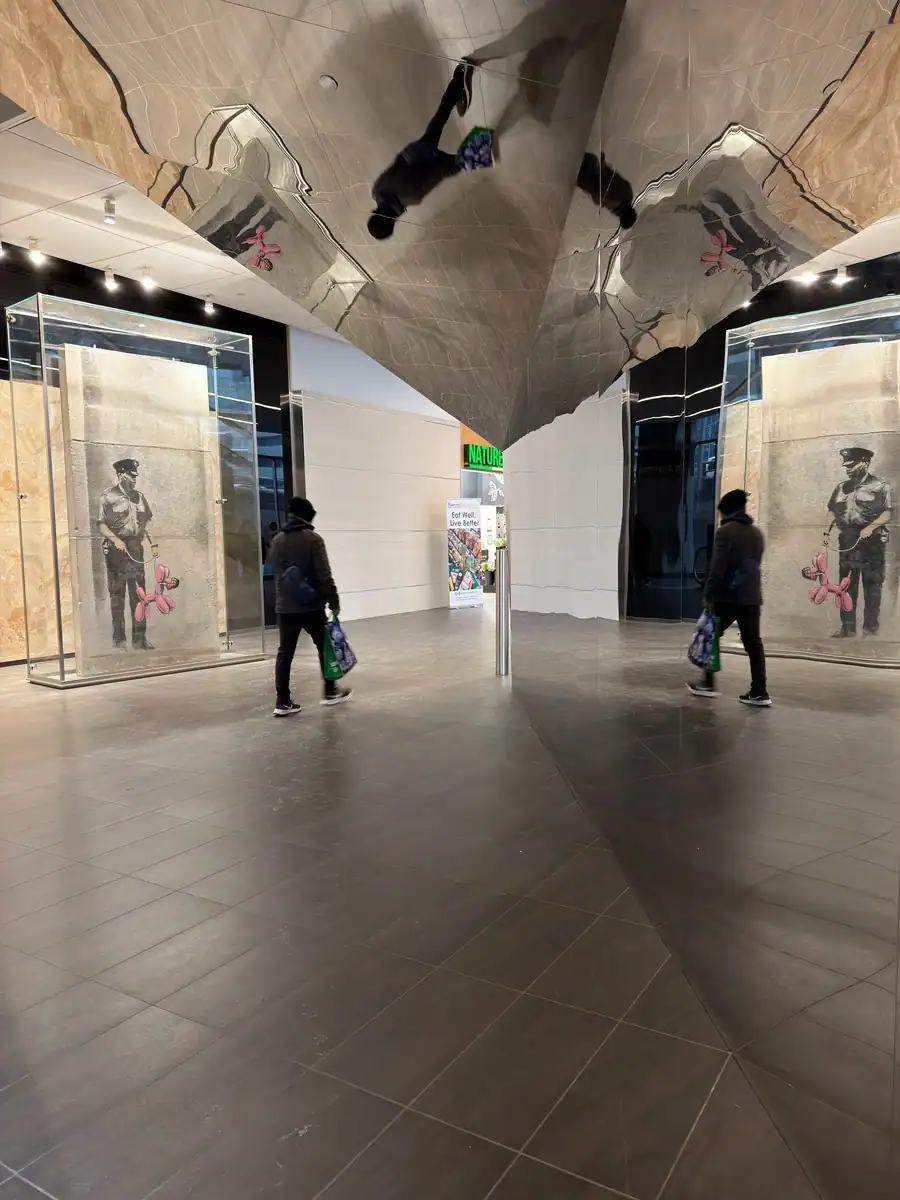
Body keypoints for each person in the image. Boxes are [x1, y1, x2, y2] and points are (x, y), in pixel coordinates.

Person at [368, 61, 487, 240]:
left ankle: (490, 138)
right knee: (438, 121)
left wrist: (457, 165)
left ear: (392, 222)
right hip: (413, 152)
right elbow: (397, 165)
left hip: (429, 159)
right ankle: (458, 79)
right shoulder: (376, 191)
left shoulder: (412, 196)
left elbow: (438, 172)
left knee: (471, 158)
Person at [268, 495, 351, 716]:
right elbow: (324, 575)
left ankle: (282, 701)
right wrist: (333, 601)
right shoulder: (313, 540)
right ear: (307, 516)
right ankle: (330, 691)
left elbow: (278, 574)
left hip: (285, 607)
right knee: (325, 646)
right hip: (312, 607)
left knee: (285, 653)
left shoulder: (277, 541)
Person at [688, 488, 771, 706]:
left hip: (727, 597)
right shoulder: (756, 534)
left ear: (726, 511)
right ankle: (760, 691)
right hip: (752, 597)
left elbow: (718, 568)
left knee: (709, 635)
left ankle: (707, 683)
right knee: (754, 644)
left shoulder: (725, 532)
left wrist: (708, 593)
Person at [827, 447, 892, 638]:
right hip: (848, 539)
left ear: (864, 463)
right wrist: (826, 530)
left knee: (872, 585)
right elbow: (831, 510)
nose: (846, 468)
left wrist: (871, 527)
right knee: (846, 585)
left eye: (852, 465)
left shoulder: (881, 486)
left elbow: (888, 512)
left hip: (871, 541)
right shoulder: (841, 488)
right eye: (846, 465)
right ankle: (847, 628)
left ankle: (870, 629)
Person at [97, 457, 157, 651]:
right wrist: (115, 539)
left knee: (139, 595)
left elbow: (146, 522)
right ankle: (119, 640)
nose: (134, 479)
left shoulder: (139, 497)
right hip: (116, 550)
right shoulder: (108, 497)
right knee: (117, 596)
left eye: (135, 476)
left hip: (135, 548)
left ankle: (140, 640)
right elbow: (101, 525)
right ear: (121, 474)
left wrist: (153, 543)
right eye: (131, 476)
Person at [577, 151, 637, 229]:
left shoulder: (628, 192)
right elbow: (597, 197)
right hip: (584, 176)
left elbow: (614, 175)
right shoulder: (614, 203)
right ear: (622, 216)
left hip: (592, 162)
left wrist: (603, 164)